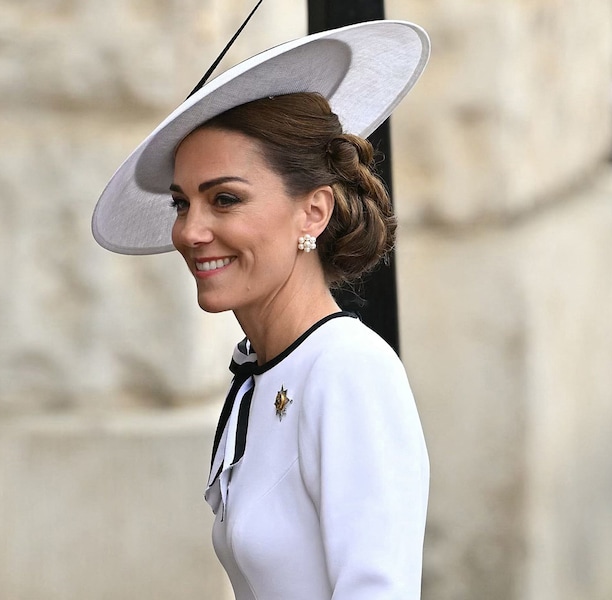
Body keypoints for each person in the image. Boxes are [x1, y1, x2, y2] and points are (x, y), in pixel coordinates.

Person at [92, 20, 430, 599]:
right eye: (182, 203)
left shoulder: (348, 370)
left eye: (225, 199)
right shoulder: (260, 371)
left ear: (313, 213)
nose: (191, 231)